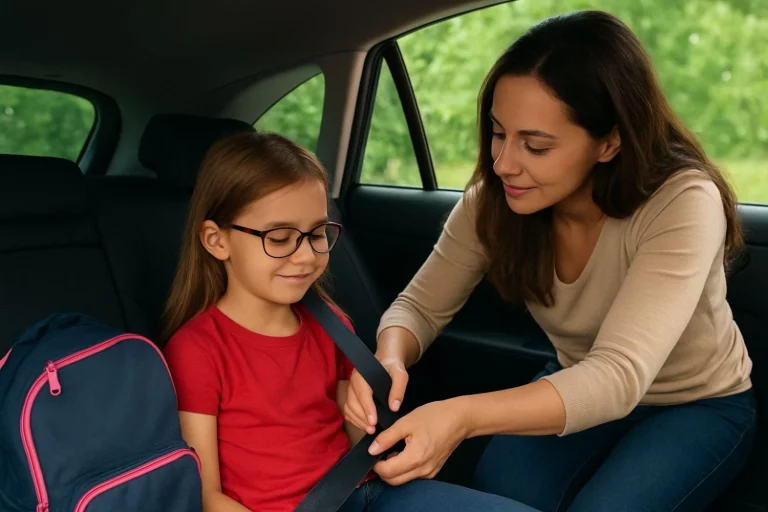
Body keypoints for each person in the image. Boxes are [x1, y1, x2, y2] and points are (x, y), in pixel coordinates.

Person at [343, 10, 755, 512]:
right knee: (498, 496)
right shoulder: (494, 200)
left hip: (699, 404)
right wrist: (388, 357)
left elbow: (618, 376)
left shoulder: (683, 201)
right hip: (572, 379)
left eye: (535, 145)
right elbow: (419, 308)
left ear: (609, 141)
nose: (503, 164)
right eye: (498, 133)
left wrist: (462, 416)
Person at [161, 132, 539, 512]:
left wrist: (384, 437)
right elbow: (206, 495)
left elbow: (358, 437)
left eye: (317, 233)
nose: (306, 256)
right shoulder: (197, 350)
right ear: (216, 240)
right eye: (279, 238)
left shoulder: (330, 324)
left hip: (362, 495)